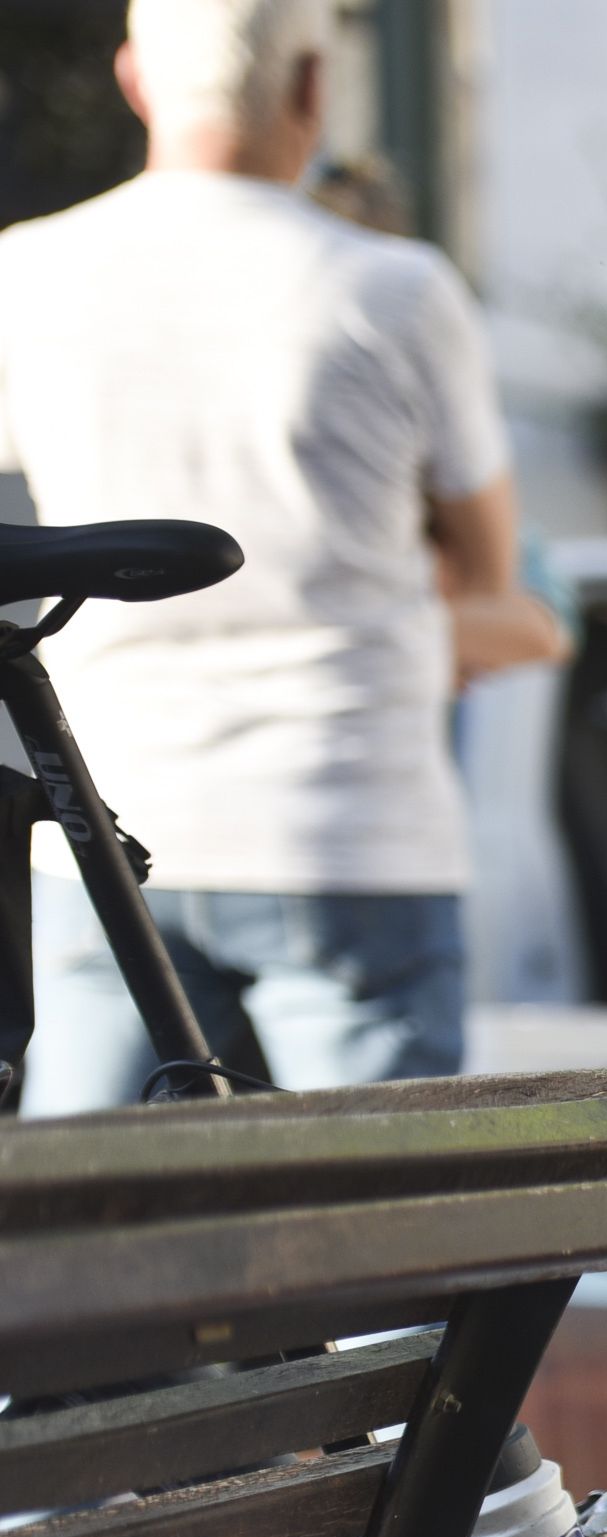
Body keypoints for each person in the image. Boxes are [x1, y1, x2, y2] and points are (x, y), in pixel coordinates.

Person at [2, 0, 563, 1112]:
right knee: (374, 1244)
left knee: (91, 1248)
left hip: (103, 820)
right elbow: (493, 573)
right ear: (314, 87)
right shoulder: (394, 290)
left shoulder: (23, 277)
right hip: (348, 826)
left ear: (132, 77)